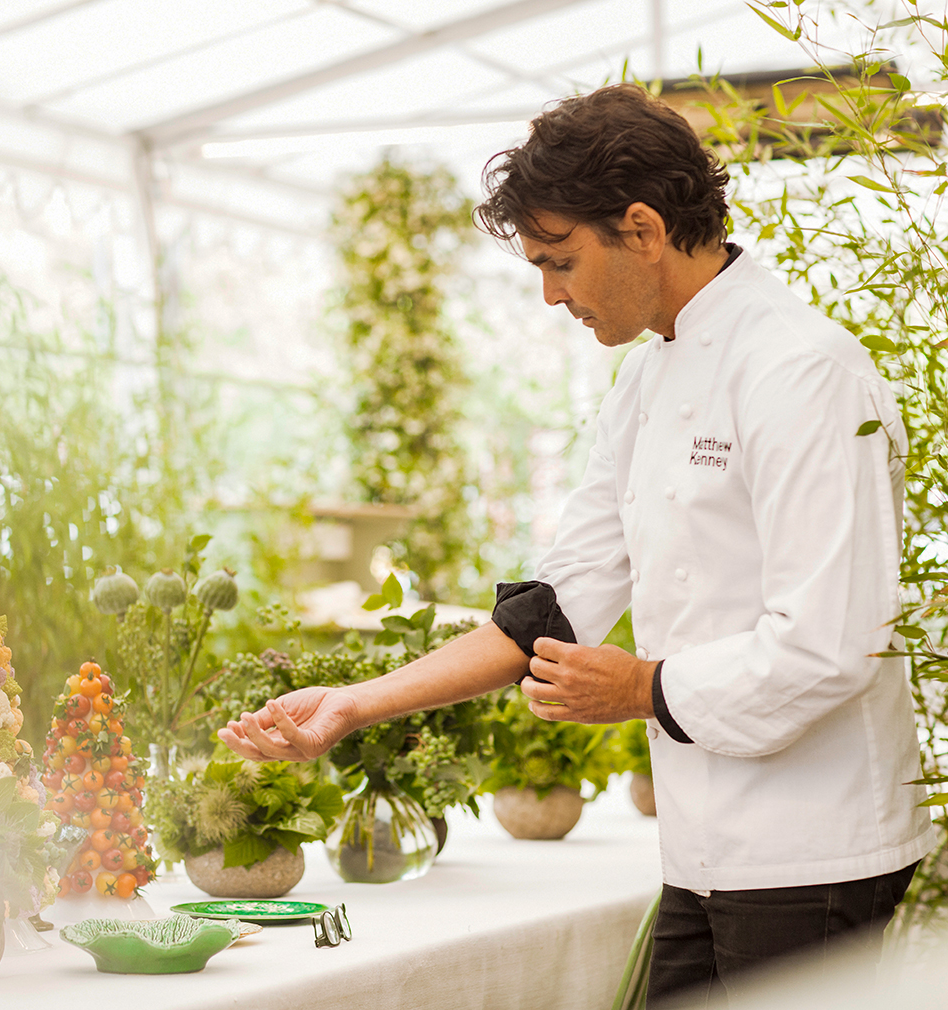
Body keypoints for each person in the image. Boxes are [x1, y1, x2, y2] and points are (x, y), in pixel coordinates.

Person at [219, 84, 935, 1005]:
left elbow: (829, 641)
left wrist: (639, 688)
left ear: (641, 228)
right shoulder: (646, 378)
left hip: (815, 843)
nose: (552, 295)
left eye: (559, 262)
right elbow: (551, 610)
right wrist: (352, 706)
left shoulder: (804, 370)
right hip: (704, 841)